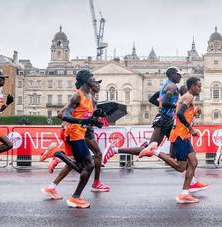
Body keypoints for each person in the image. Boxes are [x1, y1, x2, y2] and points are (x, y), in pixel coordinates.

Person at [109, 67, 209, 193]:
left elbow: (152, 100)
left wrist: (174, 107)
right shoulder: (172, 87)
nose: (179, 77)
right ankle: (115, 149)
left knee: (177, 155)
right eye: (178, 75)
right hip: (164, 120)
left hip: (168, 120)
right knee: (152, 149)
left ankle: (192, 182)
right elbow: (167, 102)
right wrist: (178, 106)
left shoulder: (166, 86)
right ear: (172, 75)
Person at [40, 70, 103, 208]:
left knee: (81, 167)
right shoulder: (77, 96)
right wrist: (82, 121)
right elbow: (64, 115)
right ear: (86, 80)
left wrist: (94, 121)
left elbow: (86, 117)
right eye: (92, 77)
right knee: (89, 166)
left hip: (80, 133)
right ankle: (75, 197)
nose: (95, 80)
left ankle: (56, 154)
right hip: (73, 133)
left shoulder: (91, 98)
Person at [140, 77, 203, 204]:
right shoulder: (189, 97)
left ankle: (185, 193)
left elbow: (182, 113)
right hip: (180, 135)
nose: (200, 89)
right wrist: (191, 129)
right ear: (191, 86)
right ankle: (155, 151)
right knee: (181, 167)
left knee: (194, 162)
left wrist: (195, 112)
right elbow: (179, 113)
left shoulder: (188, 97)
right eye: (198, 86)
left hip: (182, 135)